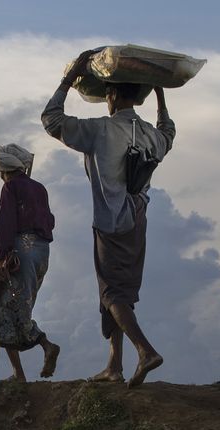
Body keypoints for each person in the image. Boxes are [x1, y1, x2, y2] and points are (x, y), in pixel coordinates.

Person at [43, 50, 174, 387]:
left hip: (111, 222)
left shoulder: (102, 130)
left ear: (112, 94)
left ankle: (145, 351)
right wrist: (159, 94)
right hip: (138, 220)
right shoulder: (151, 135)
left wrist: (67, 80)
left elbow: (52, 120)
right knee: (120, 292)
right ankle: (114, 366)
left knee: (112, 295)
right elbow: (168, 132)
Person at [0, 144, 63, 381]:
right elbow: (49, 221)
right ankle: (22, 368)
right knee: (19, 306)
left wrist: (2, 256)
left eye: (0, 172)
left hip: (20, 252)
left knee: (1, 307)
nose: (0, 176)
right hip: (41, 253)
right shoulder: (39, 188)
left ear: (5, 170)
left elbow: (7, 222)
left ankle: (36, 354)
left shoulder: (10, 188)